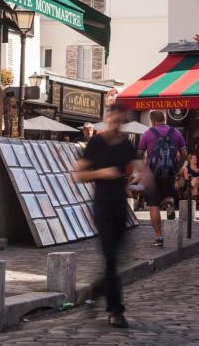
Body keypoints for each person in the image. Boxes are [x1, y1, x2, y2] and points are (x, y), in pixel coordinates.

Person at [73, 104, 134, 328]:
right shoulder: (96, 143)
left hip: (121, 207)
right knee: (111, 259)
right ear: (108, 118)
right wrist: (103, 173)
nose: (118, 123)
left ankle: (98, 288)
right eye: (115, 119)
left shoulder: (126, 144)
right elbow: (78, 174)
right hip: (102, 207)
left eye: (122, 120)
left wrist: (145, 180)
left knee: (117, 259)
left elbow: (137, 167)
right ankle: (115, 310)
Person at [138, 110, 186, 247]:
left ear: (152, 121)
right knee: (168, 195)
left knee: (154, 205)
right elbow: (184, 153)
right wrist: (178, 168)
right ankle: (169, 204)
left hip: (152, 175)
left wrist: (143, 170)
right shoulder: (176, 133)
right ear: (165, 119)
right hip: (170, 173)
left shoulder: (147, 133)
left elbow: (139, 154)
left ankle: (159, 237)